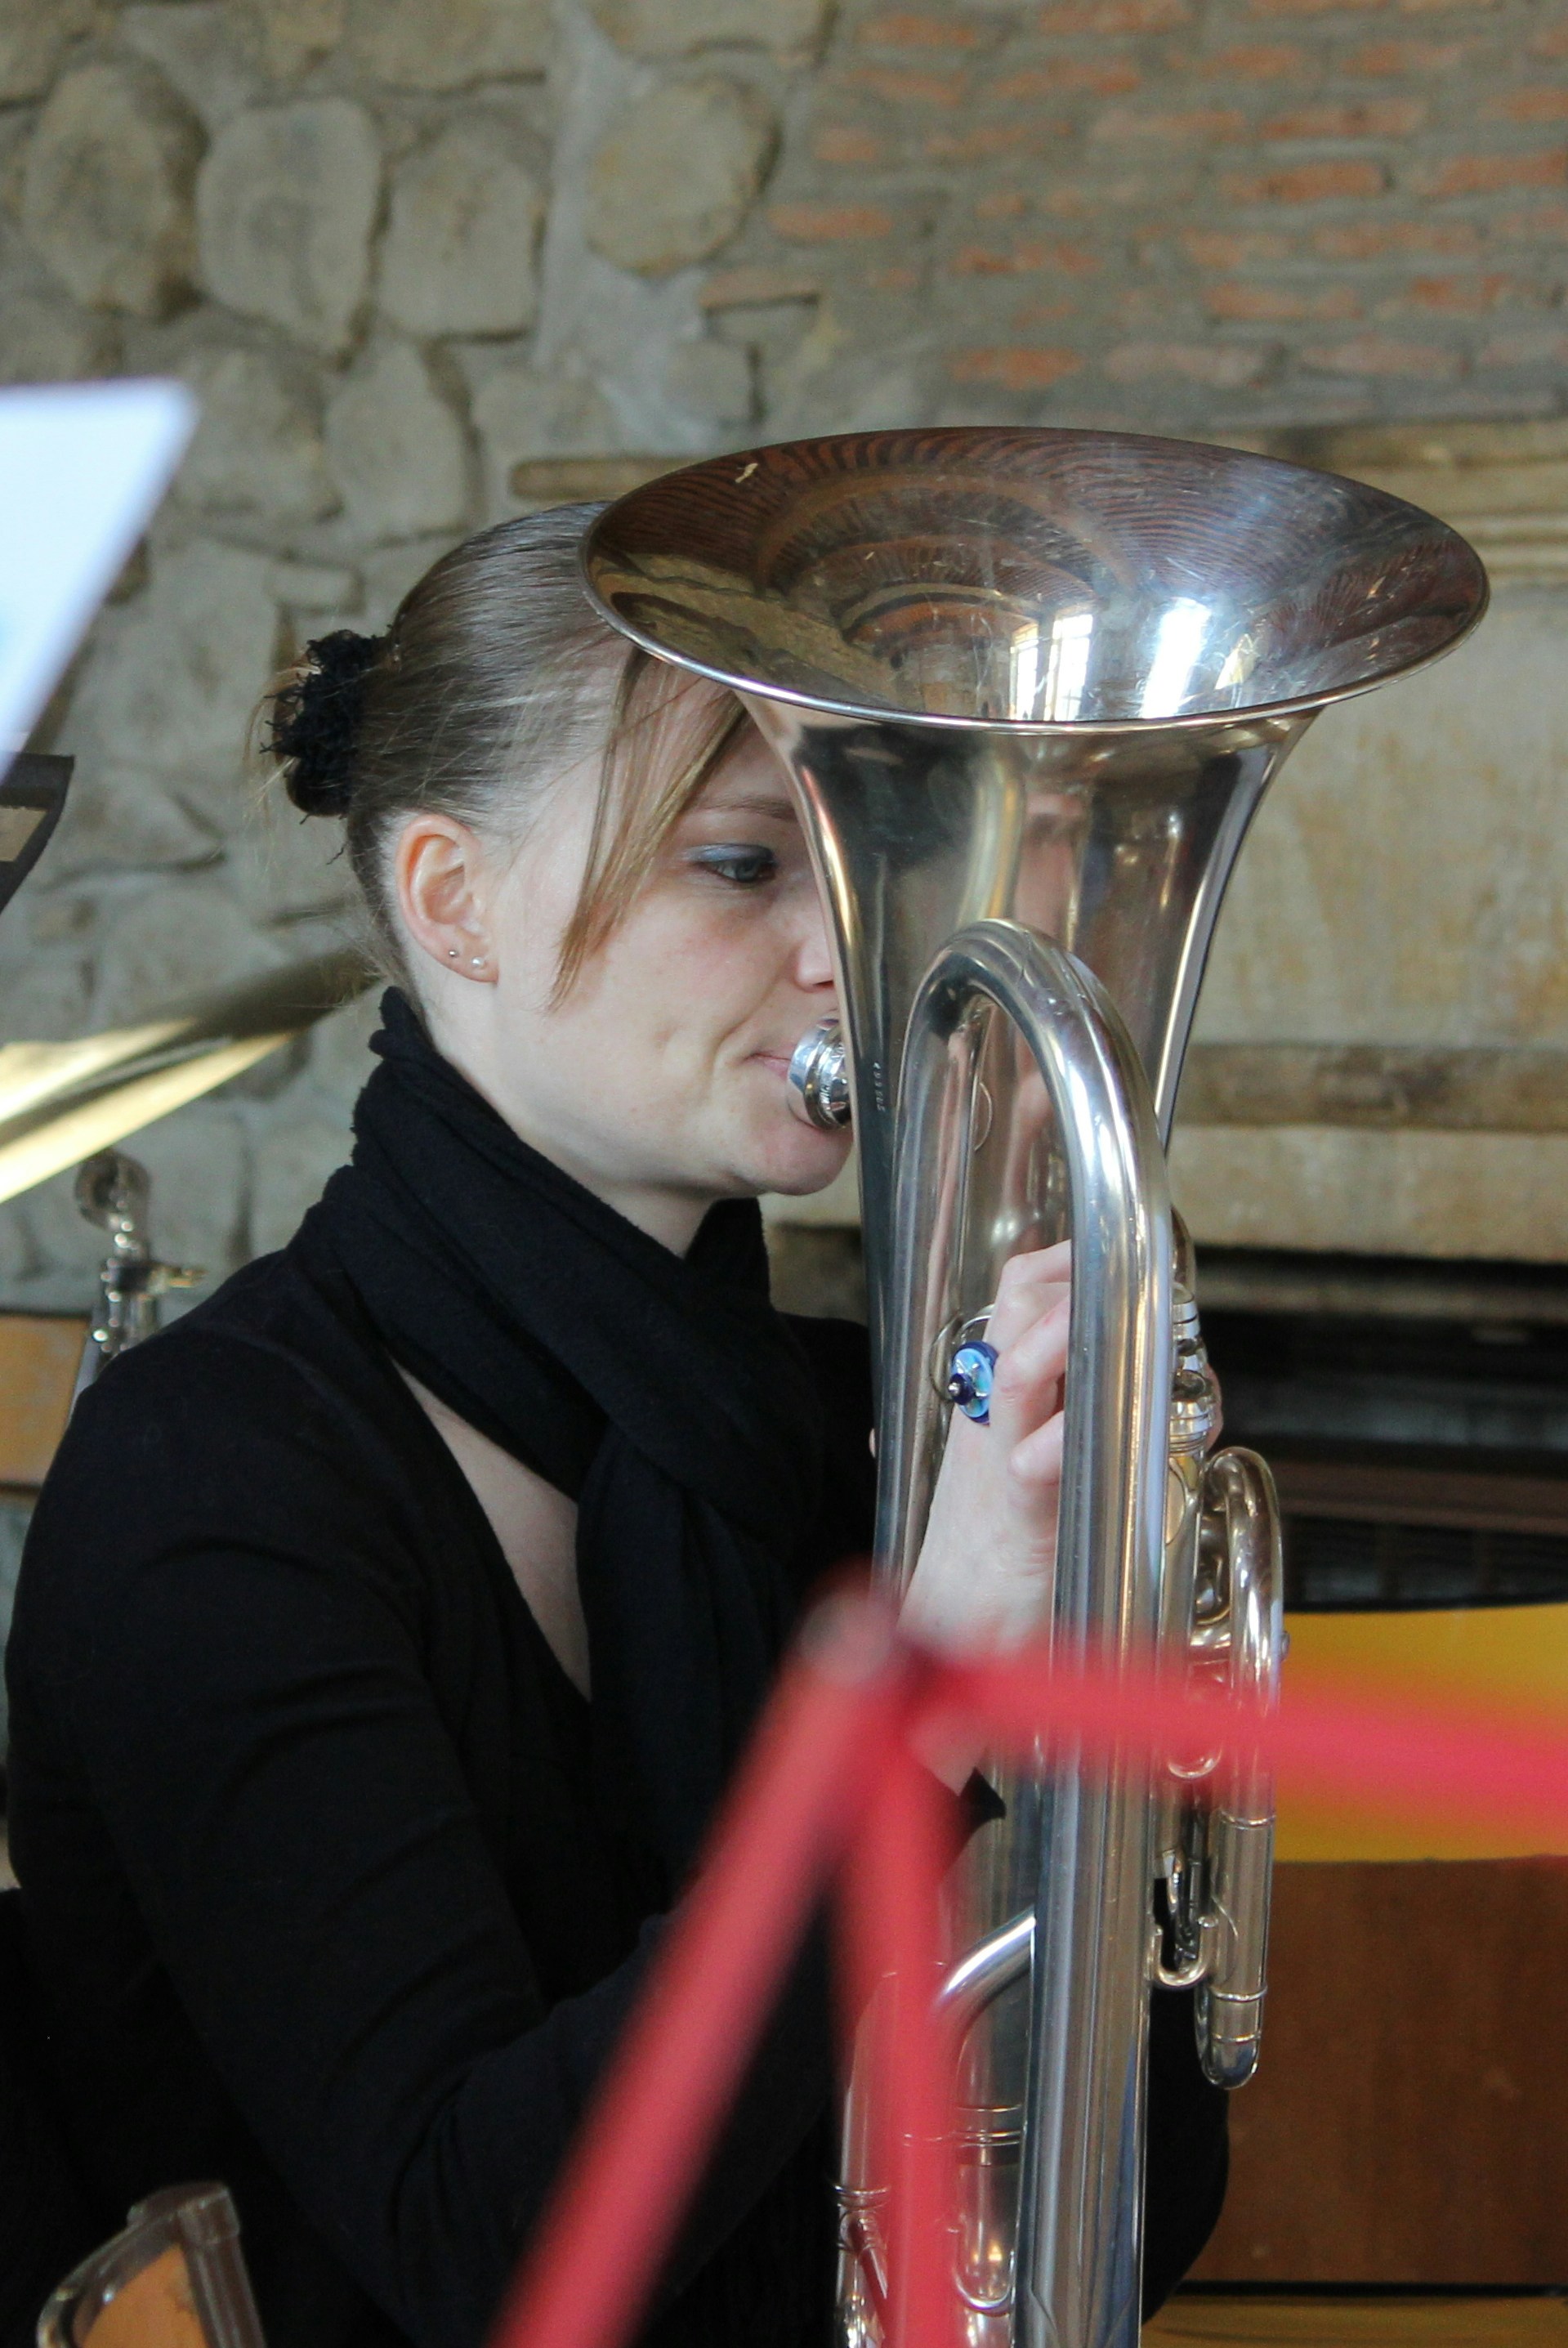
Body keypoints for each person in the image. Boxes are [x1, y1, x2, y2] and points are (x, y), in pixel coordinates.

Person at [3, 508, 1226, 2348]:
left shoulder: (864, 1431)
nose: (844, 954)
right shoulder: (216, 1482)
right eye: (741, 866)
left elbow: (1135, 2211)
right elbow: (479, 2251)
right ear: (451, 899)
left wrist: (1093, 1707)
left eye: (843, 864)